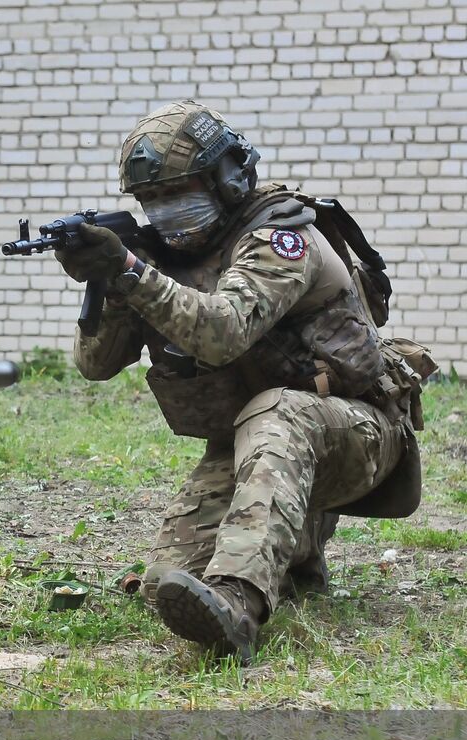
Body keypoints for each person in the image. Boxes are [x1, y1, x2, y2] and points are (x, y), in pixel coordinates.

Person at [53, 100, 431, 665]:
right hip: (254, 444)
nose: (166, 213)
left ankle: (241, 603)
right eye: (151, 202)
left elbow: (223, 332)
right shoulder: (160, 257)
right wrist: (110, 288)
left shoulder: (281, 237)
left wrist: (133, 274)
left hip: (356, 432)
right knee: (165, 585)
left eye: (178, 193)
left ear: (228, 176)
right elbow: (95, 365)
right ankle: (296, 556)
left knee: (280, 409)